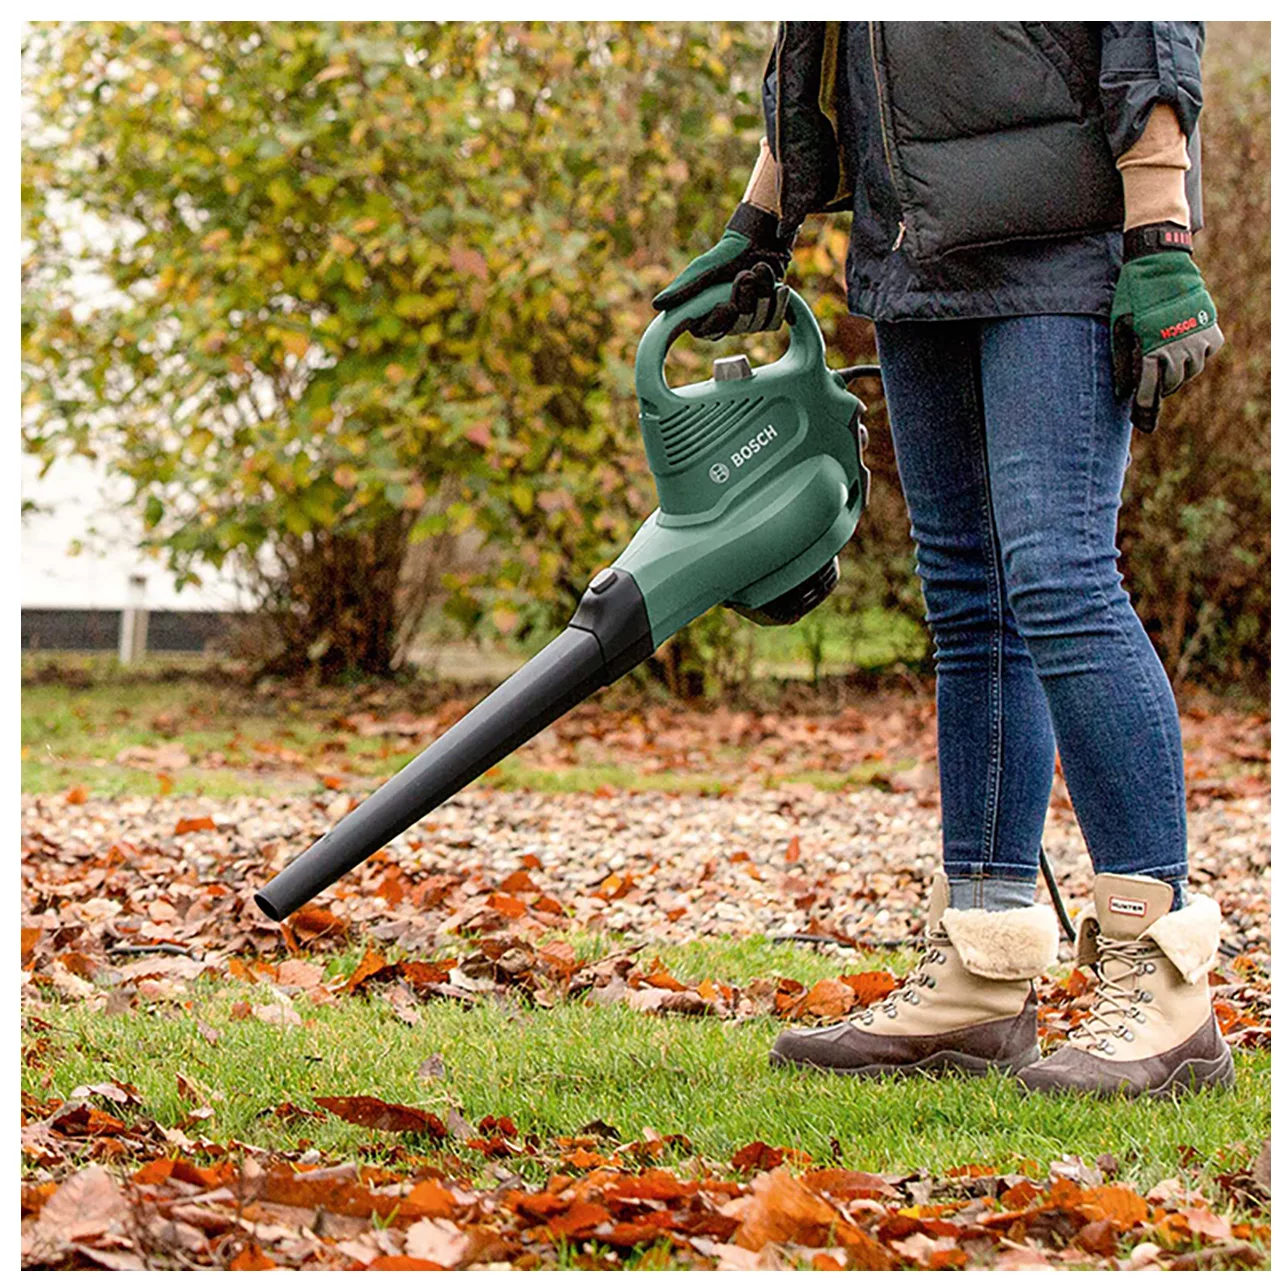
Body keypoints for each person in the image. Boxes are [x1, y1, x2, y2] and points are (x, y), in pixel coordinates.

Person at [655, 22, 1230, 1097]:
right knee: (970, 603)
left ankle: (1162, 985)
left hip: (1059, 237)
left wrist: (1159, 233)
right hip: (911, 245)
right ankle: (982, 964)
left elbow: (1145, 32)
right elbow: (821, 45)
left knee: (1059, 576)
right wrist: (760, 219)